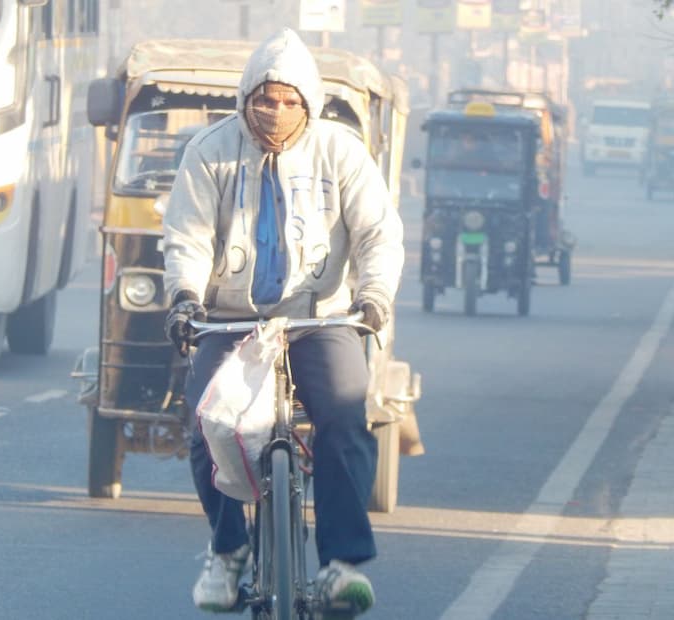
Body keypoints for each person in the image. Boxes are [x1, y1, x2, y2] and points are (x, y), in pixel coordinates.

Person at [162, 28, 404, 615]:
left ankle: (341, 564)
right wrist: (185, 298)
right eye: (265, 98)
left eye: (289, 100)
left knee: (345, 416)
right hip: (229, 321)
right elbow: (186, 237)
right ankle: (228, 551)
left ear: (310, 104)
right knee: (205, 425)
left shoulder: (340, 152)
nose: (275, 111)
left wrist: (372, 297)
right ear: (245, 98)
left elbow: (377, 232)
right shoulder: (209, 151)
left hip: (322, 317)